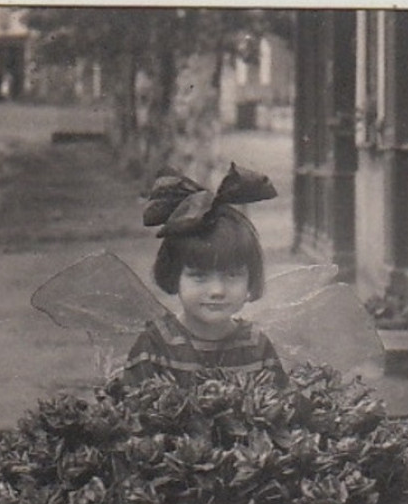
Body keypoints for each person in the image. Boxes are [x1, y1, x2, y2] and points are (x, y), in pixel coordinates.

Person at [118, 163, 286, 389]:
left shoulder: (256, 346)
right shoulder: (155, 347)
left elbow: (280, 412)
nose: (217, 291)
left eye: (232, 275)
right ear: (174, 275)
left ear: (250, 278)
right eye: (199, 276)